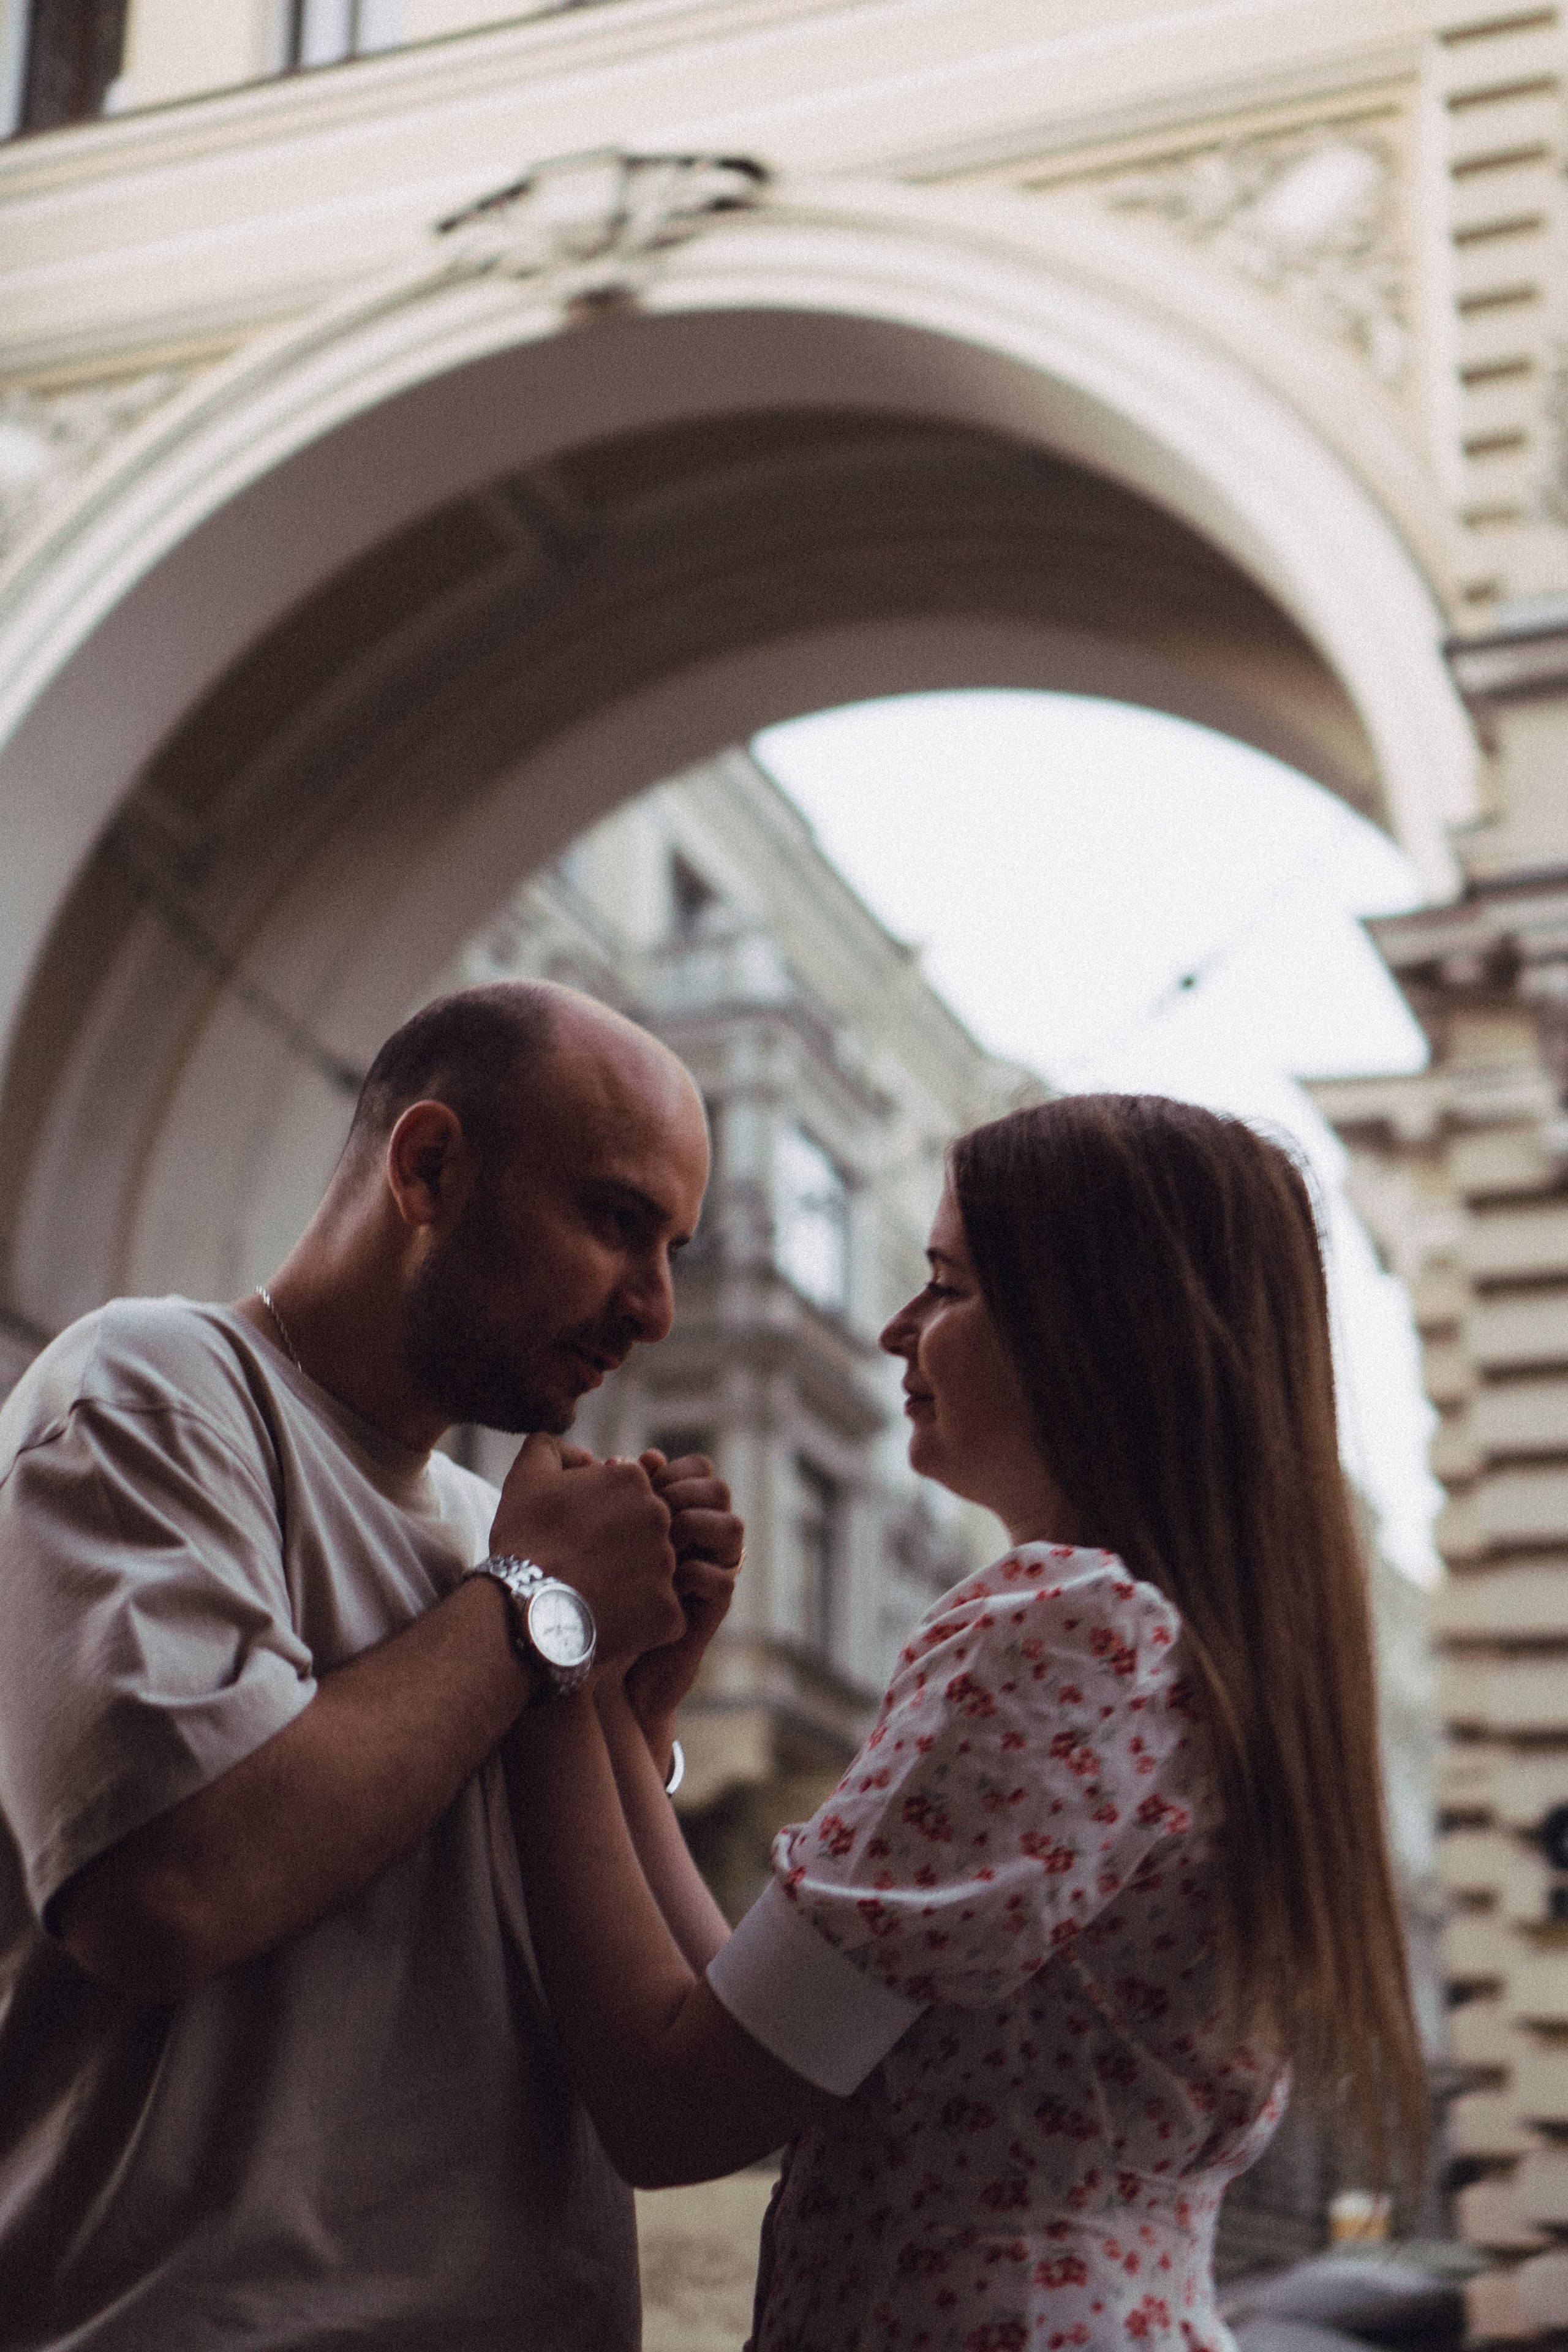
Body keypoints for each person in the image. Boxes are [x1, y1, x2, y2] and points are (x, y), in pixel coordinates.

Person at [510, 1093, 1429, 2351]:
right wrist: (616, 1702)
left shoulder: (1066, 1625)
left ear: (1101, 1328)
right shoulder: (1190, 1648)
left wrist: (539, 1617)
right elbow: (745, 2020)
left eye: (947, 1287)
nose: (897, 1330)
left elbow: (675, 2111)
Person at [0, 979, 744, 2350]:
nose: (652, 1306)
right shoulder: (150, 1391)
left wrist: (636, 1705)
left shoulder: (496, 1538)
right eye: (613, 1221)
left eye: (674, 1249)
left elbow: (600, 2021)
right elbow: (168, 1891)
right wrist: (539, 1606)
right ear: (430, 1165)